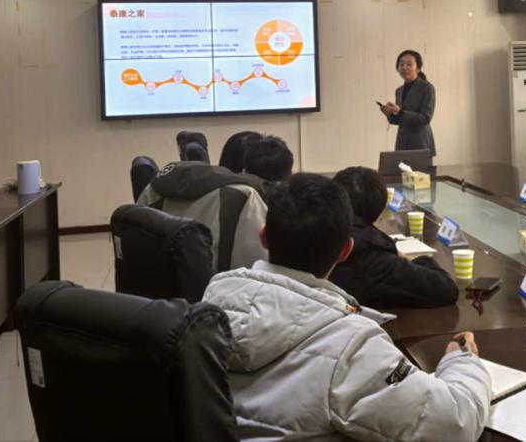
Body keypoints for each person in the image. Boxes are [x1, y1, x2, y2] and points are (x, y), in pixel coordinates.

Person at [202, 173, 491, 441]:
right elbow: (455, 424)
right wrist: (462, 361)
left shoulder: (211, 301)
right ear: (345, 251)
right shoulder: (352, 348)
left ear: (263, 236)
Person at [330, 166, 458, 308]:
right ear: (378, 208)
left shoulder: (318, 233)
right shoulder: (372, 257)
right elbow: (446, 290)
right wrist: (418, 260)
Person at [137, 161, 268, 271]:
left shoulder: (152, 191)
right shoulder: (243, 196)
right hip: (222, 290)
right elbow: (257, 263)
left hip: (154, 289)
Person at [380, 49, 436, 157]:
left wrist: (400, 111)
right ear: (397, 68)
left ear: (418, 68)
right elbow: (401, 119)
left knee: (421, 169)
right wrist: (389, 115)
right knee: (401, 169)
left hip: (421, 143)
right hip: (402, 143)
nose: (404, 67)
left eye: (409, 64)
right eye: (401, 64)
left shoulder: (427, 88)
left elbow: (426, 118)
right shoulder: (399, 91)